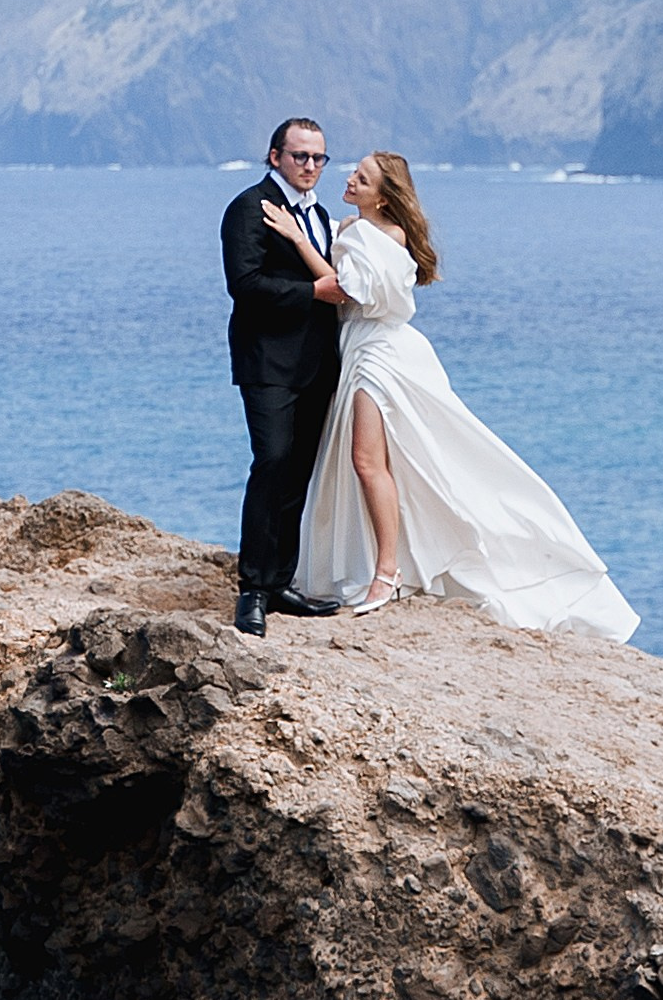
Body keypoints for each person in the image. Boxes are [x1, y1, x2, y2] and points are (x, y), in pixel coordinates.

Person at [260, 150, 638, 639]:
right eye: (354, 171)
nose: (351, 178)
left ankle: (386, 572)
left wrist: (295, 237)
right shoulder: (359, 230)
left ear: (384, 196)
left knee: (367, 462)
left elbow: (345, 289)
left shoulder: (377, 235)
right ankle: (389, 564)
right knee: (392, 464)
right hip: (367, 350)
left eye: (364, 177)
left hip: (378, 354)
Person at [220, 118, 345, 637]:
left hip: (319, 363)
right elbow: (245, 285)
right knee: (270, 461)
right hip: (267, 360)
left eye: (318, 158)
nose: (310, 166)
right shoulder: (248, 208)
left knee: (298, 472)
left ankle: (280, 582)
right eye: (300, 157)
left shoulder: (321, 215)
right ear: (275, 157)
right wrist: (312, 294)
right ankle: (251, 588)